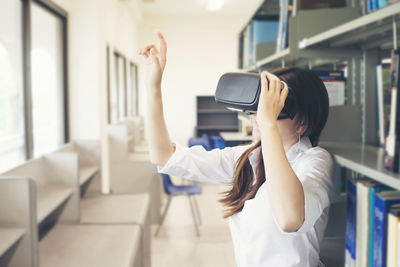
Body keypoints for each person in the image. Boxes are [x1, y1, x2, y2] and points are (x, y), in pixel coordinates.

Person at [137, 32, 334, 267]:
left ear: (302, 121)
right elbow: (165, 156)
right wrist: (153, 87)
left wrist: (267, 122)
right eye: (258, 108)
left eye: (272, 108)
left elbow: (290, 219)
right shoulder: (248, 159)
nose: (257, 116)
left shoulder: (315, 162)